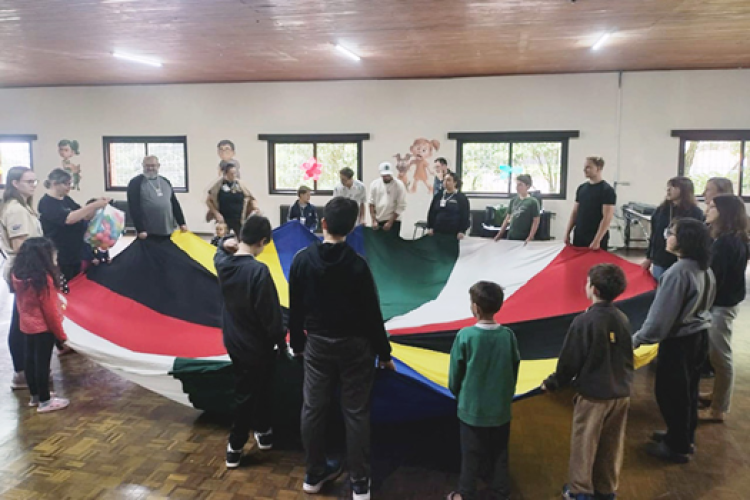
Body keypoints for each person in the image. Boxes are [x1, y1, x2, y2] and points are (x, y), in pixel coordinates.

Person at [289, 197, 395, 500]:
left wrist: (297, 345)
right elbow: (372, 314)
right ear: (352, 228)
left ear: (323, 223)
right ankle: (360, 483)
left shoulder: (302, 260)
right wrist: (384, 354)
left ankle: (313, 474)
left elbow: (295, 309)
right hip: (355, 348)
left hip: (317, 345)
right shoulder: (358, 265)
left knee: (313, 408)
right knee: (356, 412)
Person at [542, 264, 633, 500]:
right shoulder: (622, 318)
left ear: (593, 289)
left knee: (584, 444)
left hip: (594, 395)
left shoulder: (584, 321)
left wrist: (553, 383)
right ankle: (606, 488)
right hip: (621, 393)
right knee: (612, 445)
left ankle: (580, 490)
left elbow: (570, 360)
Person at [632, 218, 715, 463]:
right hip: (699, 336)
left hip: (679, 342)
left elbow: (660, 319)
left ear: (685, 240)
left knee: (671, 394)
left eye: (672, 233)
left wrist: (637, 340)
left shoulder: (677, 273)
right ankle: (683, 436)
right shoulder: (704, 268)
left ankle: (677, 447)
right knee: (688, 391)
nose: (667, 236)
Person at [214, 215, 286, 468]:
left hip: (233, 339)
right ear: (262, 241)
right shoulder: (258, 271)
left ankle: (263, 431)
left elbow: (220, 250)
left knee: (255, 387)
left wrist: (223, 242)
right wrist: (281, 342)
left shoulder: (223, 263)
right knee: (251, 392)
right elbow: (270, 315)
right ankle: (235, 446)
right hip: (256, 344)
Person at [446, 281, 520, 500]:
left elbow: (455, 374)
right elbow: (514, 367)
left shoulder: (466, 336)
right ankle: (501, 492)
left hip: (472, 410)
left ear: (475, 307)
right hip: (500, 410)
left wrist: (459, 395)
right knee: (500, 453)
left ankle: (465, 494)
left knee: (470, 454)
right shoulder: (508, 336)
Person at [698, 194, 749, 422]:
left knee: (720, 357)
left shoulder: (727, 243)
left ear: (724, 213)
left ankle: (719, 408)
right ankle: (717, 395)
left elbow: (716, 277)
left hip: (722, 304)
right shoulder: (728, 238)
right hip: (722, 302)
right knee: (716, 354)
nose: (707, 210)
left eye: (712, 207)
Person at [11, 237, 70, 412]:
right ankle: (45, 401)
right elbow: (50, 311)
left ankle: (35, 396)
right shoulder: (43, 280)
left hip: (27, 326)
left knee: (30, 360)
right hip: (43, 328)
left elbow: (20, 305)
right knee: (43, 363)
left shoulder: (18, 276)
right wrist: (61, 336)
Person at [0, 166, 43, 390]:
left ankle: (26, 370)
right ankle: (22, 371)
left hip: (29, 267)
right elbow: (21, 245)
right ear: (15, 183)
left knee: (23, 319)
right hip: (25, 268)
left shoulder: (24, 207)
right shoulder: (15, 209)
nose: (33, 185)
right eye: (28, 181)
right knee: (22, 322)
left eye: (35, 181)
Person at [38, 169, 109, 281]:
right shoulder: (47, 203)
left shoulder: (66, 199)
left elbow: (83, 215)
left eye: (70, 184)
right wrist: (93, 205)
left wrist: (98, 205)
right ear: (54, 183)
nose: (69, 187)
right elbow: (69, 219)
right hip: (60, 253)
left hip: (74, 252)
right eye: (66, 184)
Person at [641, 177, 704, 280]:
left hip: (681, 260)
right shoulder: (661, 210)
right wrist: (649, 258)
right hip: (661, 259)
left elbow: (696, 239)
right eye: (668, 187)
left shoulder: (695, 213)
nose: (668, 190)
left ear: (684, 190)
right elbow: (654, 236)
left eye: (673, 187)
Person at [126, 156, 188, 240]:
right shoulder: (135, 183)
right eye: (147, 166)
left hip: (167, 229)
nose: (150, 168)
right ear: (143, 166)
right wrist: (140, 229)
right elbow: (133, 207)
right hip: (147, 232)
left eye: (153, 165)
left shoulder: (165, 181)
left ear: (158, 166)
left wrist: (182, 223)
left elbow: (174, 203)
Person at [564, 157, 616, 251]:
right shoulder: (581, 188)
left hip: (596, 237)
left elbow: (607, 218)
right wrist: (567, 233)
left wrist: (597, 240)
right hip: (579, 235)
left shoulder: (607, 190)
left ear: (598, 168)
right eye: (584, 167)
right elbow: (575, 212)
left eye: (588, 167)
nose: (584, 170)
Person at [206, 159, 257, 236]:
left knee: (241, 238)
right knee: (223, 239)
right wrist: (216, 214)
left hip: (239, 219)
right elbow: (208, 200)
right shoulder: (218, 185)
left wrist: (255, 209)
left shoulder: (241, 184)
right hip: (224, 219)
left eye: (235, 173)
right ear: (226, 174)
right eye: (231, 173)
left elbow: (251, 198)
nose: (234, 175)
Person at [494, 174, 540, 243]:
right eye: (517, 185)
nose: (517, 187)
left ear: (527, 186)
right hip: (512, 236)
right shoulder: (513, 200)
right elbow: (507, 219)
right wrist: (499, 234)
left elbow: (536, 221)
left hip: (524, 237)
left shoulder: (533, 202)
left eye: (520, 185)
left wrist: (530, 237)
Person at [426, 171, 470, 239]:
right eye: (444, 180)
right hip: (437, 230)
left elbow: (465, 215)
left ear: (455, 182)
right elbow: (432, 212)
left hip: (453, 232)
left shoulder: (461, 197)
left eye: (448, 180)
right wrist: (430, 227)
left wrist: (462, 231)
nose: (445, 182)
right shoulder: (439, 195)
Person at [368, 162, 407, 234]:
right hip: (378, 219)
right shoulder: (374, 184)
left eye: (388, 175)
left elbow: (401, 206)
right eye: (384, 175)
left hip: (394, 220)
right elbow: (371, 203)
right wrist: (373, 220)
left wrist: (390, 222)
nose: (386, 177)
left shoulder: (399, 185)